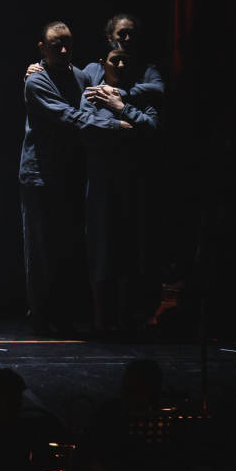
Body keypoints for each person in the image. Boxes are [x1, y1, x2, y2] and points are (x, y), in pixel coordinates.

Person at [19, 21, 130, 334]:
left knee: (66, 248)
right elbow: (68, 116)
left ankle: (64, 315)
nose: (64, 51)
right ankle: (41, 317)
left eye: (68, 44)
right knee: (41, 249)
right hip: (40, 174)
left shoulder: (80, 75)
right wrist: (115, 126)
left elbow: (100, 86)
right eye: (56, 45)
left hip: (70, 173)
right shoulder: (36, 81)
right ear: (42, 48)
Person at [82, 45, 159, 337]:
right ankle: (103, 321)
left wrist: (121, 108)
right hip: (102, 181)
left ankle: (127, 319)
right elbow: (87, 126)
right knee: (102, 250)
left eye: (127, 60)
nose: (122, 65)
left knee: (129, 249)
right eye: (116, 60)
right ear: (105, 63)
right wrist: (121, 125)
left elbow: (151, 125)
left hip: (133, 181)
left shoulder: (141, 95)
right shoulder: (93, 91)